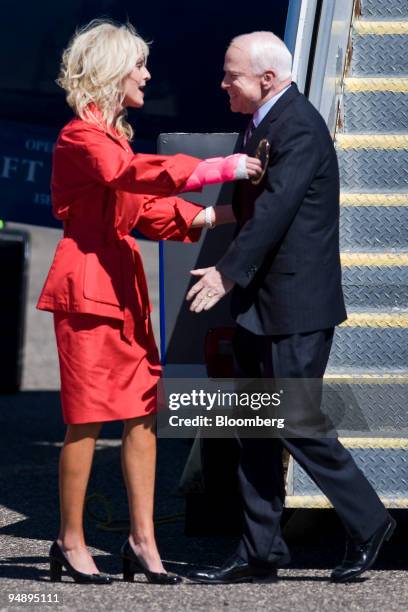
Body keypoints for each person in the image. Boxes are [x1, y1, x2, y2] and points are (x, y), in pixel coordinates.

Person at [36, 20, 261, 585]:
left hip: (121, 286)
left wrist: (222, 213)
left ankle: (142, 542)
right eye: (138, 65)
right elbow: (127, 176)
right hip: (88, 290)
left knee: (142, 417)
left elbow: (142, 212)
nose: (147, 74)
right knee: (87, 421)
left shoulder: (112, 137)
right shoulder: (81, 138)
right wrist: (213, 170)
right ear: (112, 72)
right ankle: (69, 541)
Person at [187, 31, 395, 584]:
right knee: (254, 427)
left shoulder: (297, 125)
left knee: (298, 422)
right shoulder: (262, 121)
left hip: (296, 305)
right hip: (263, 302)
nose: (223, 83)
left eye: (232, 75)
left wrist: (227, 273)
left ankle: (369, 522)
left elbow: (276, 210)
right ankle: (260, 550)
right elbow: (251, 201)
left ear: (268, 79)